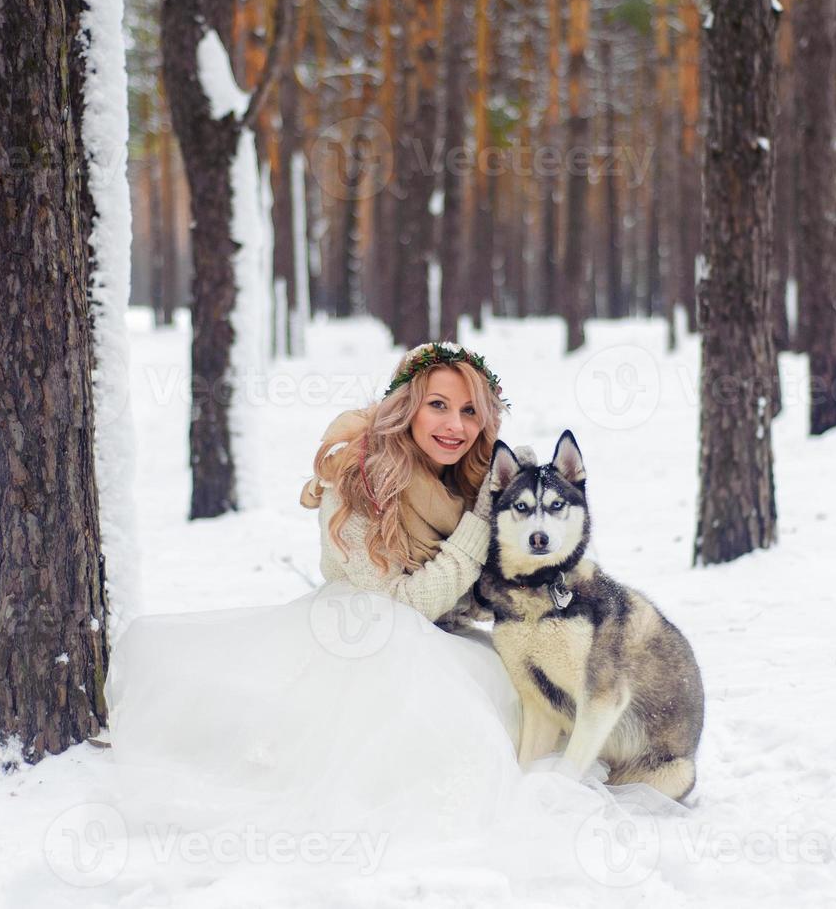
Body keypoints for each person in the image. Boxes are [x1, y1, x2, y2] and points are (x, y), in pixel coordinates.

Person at [104, 342, 681, 900]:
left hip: (442, 642)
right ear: (405, 404)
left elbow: (480, 591)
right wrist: (484, 518)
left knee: (511, 711)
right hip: (363, 640)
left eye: (469, 411)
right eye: (438, 405)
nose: (454, 424)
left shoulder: (469, 477)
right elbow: (404, 606)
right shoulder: (355, 479)